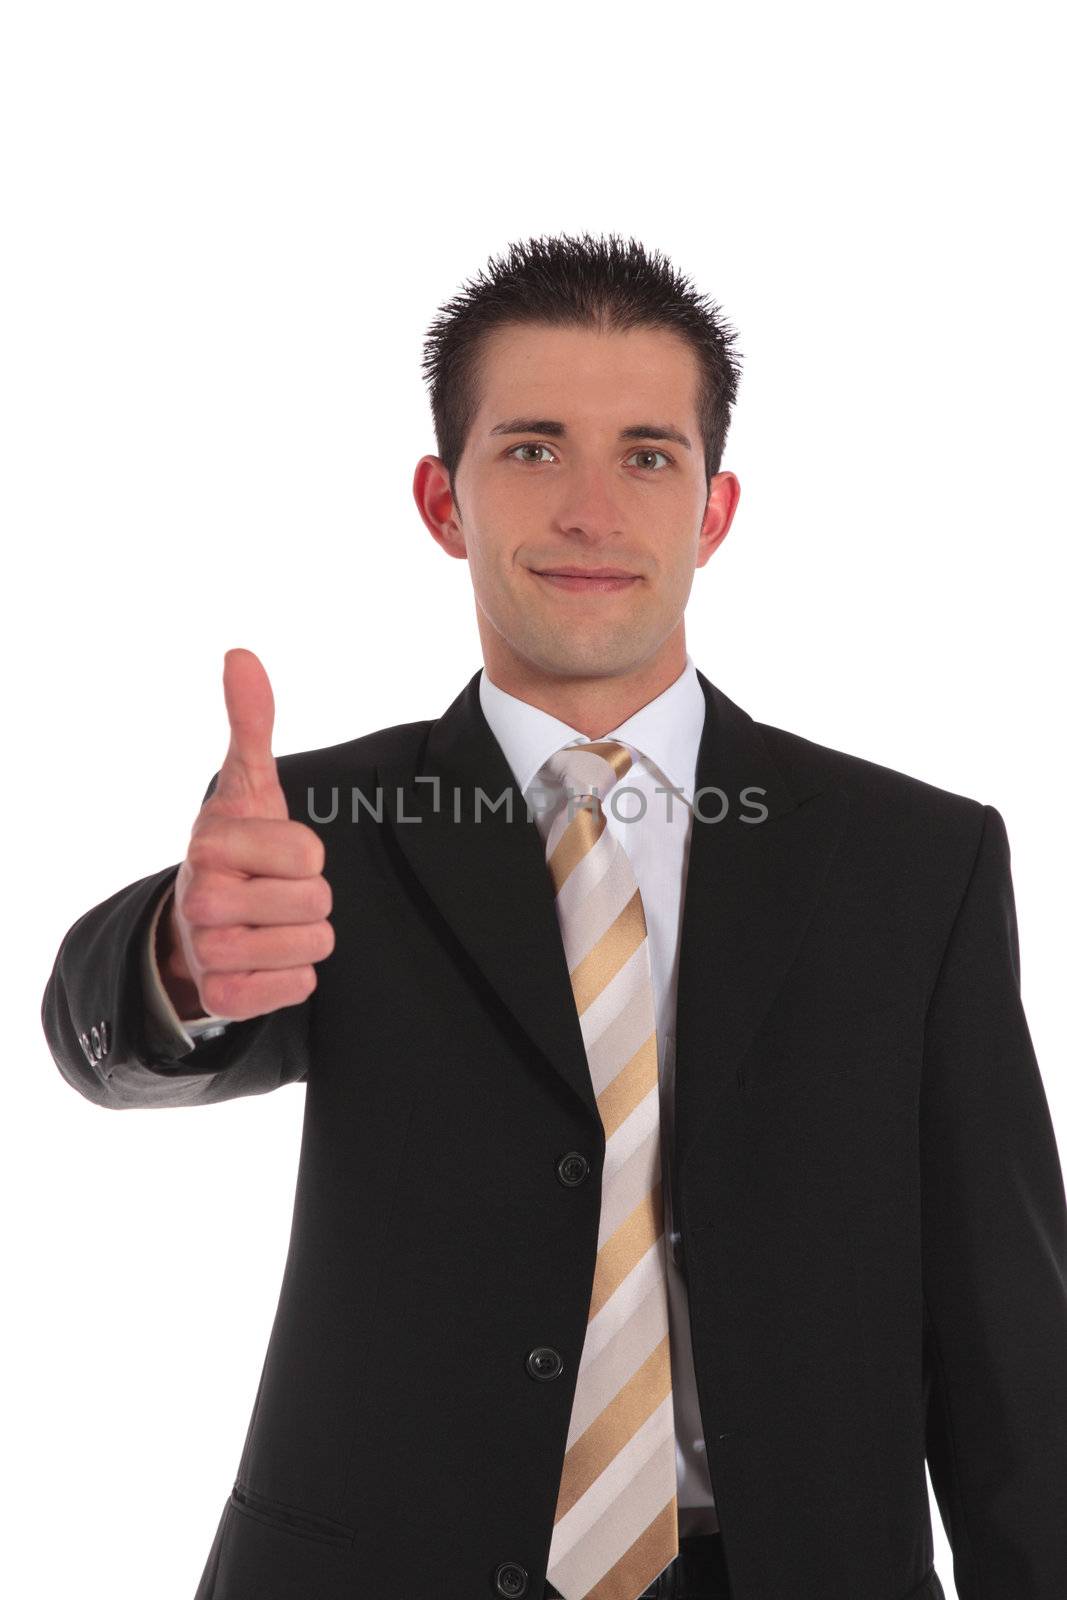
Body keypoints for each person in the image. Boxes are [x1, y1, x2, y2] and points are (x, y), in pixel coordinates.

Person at [41, 232, 1067, 1600]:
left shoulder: (913, 860)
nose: (591, 510)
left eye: (647, 455)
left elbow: (1011, 1341)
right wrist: (178, 957)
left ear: (714, 509)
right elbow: (105, 1020)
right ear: (443, 499)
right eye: (531, 448)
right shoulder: (314, 829)